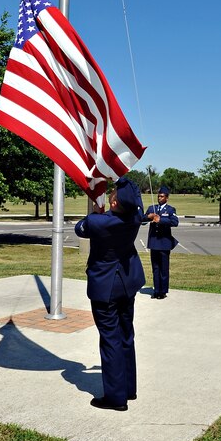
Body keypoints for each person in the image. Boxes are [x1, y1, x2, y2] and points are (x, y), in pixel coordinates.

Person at [75, 176, 145, 411]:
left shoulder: (99, 222)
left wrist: (96, 208)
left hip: (105, 288)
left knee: (110, 340)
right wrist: (119, 178)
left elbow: (79, 228)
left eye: (113, 192)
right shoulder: (135, 216)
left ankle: (116, 398)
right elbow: (136, 200)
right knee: (126, 335)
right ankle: (128, 388)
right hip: (127, 284)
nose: (112, 194)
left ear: (114, 204)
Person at [143, 185, 179, 299]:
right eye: (158, 196)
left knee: (164, 269)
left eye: (162, 196)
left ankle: (163, 291)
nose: (159, 198)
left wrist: (161, 220)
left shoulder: (170, 209)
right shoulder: (152, 208)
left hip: (164, 243)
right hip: (154, 243)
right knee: (155, 268)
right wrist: (149, 217)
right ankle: (156, 290)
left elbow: (175, 222)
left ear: (167, 198)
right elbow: (142, 220)